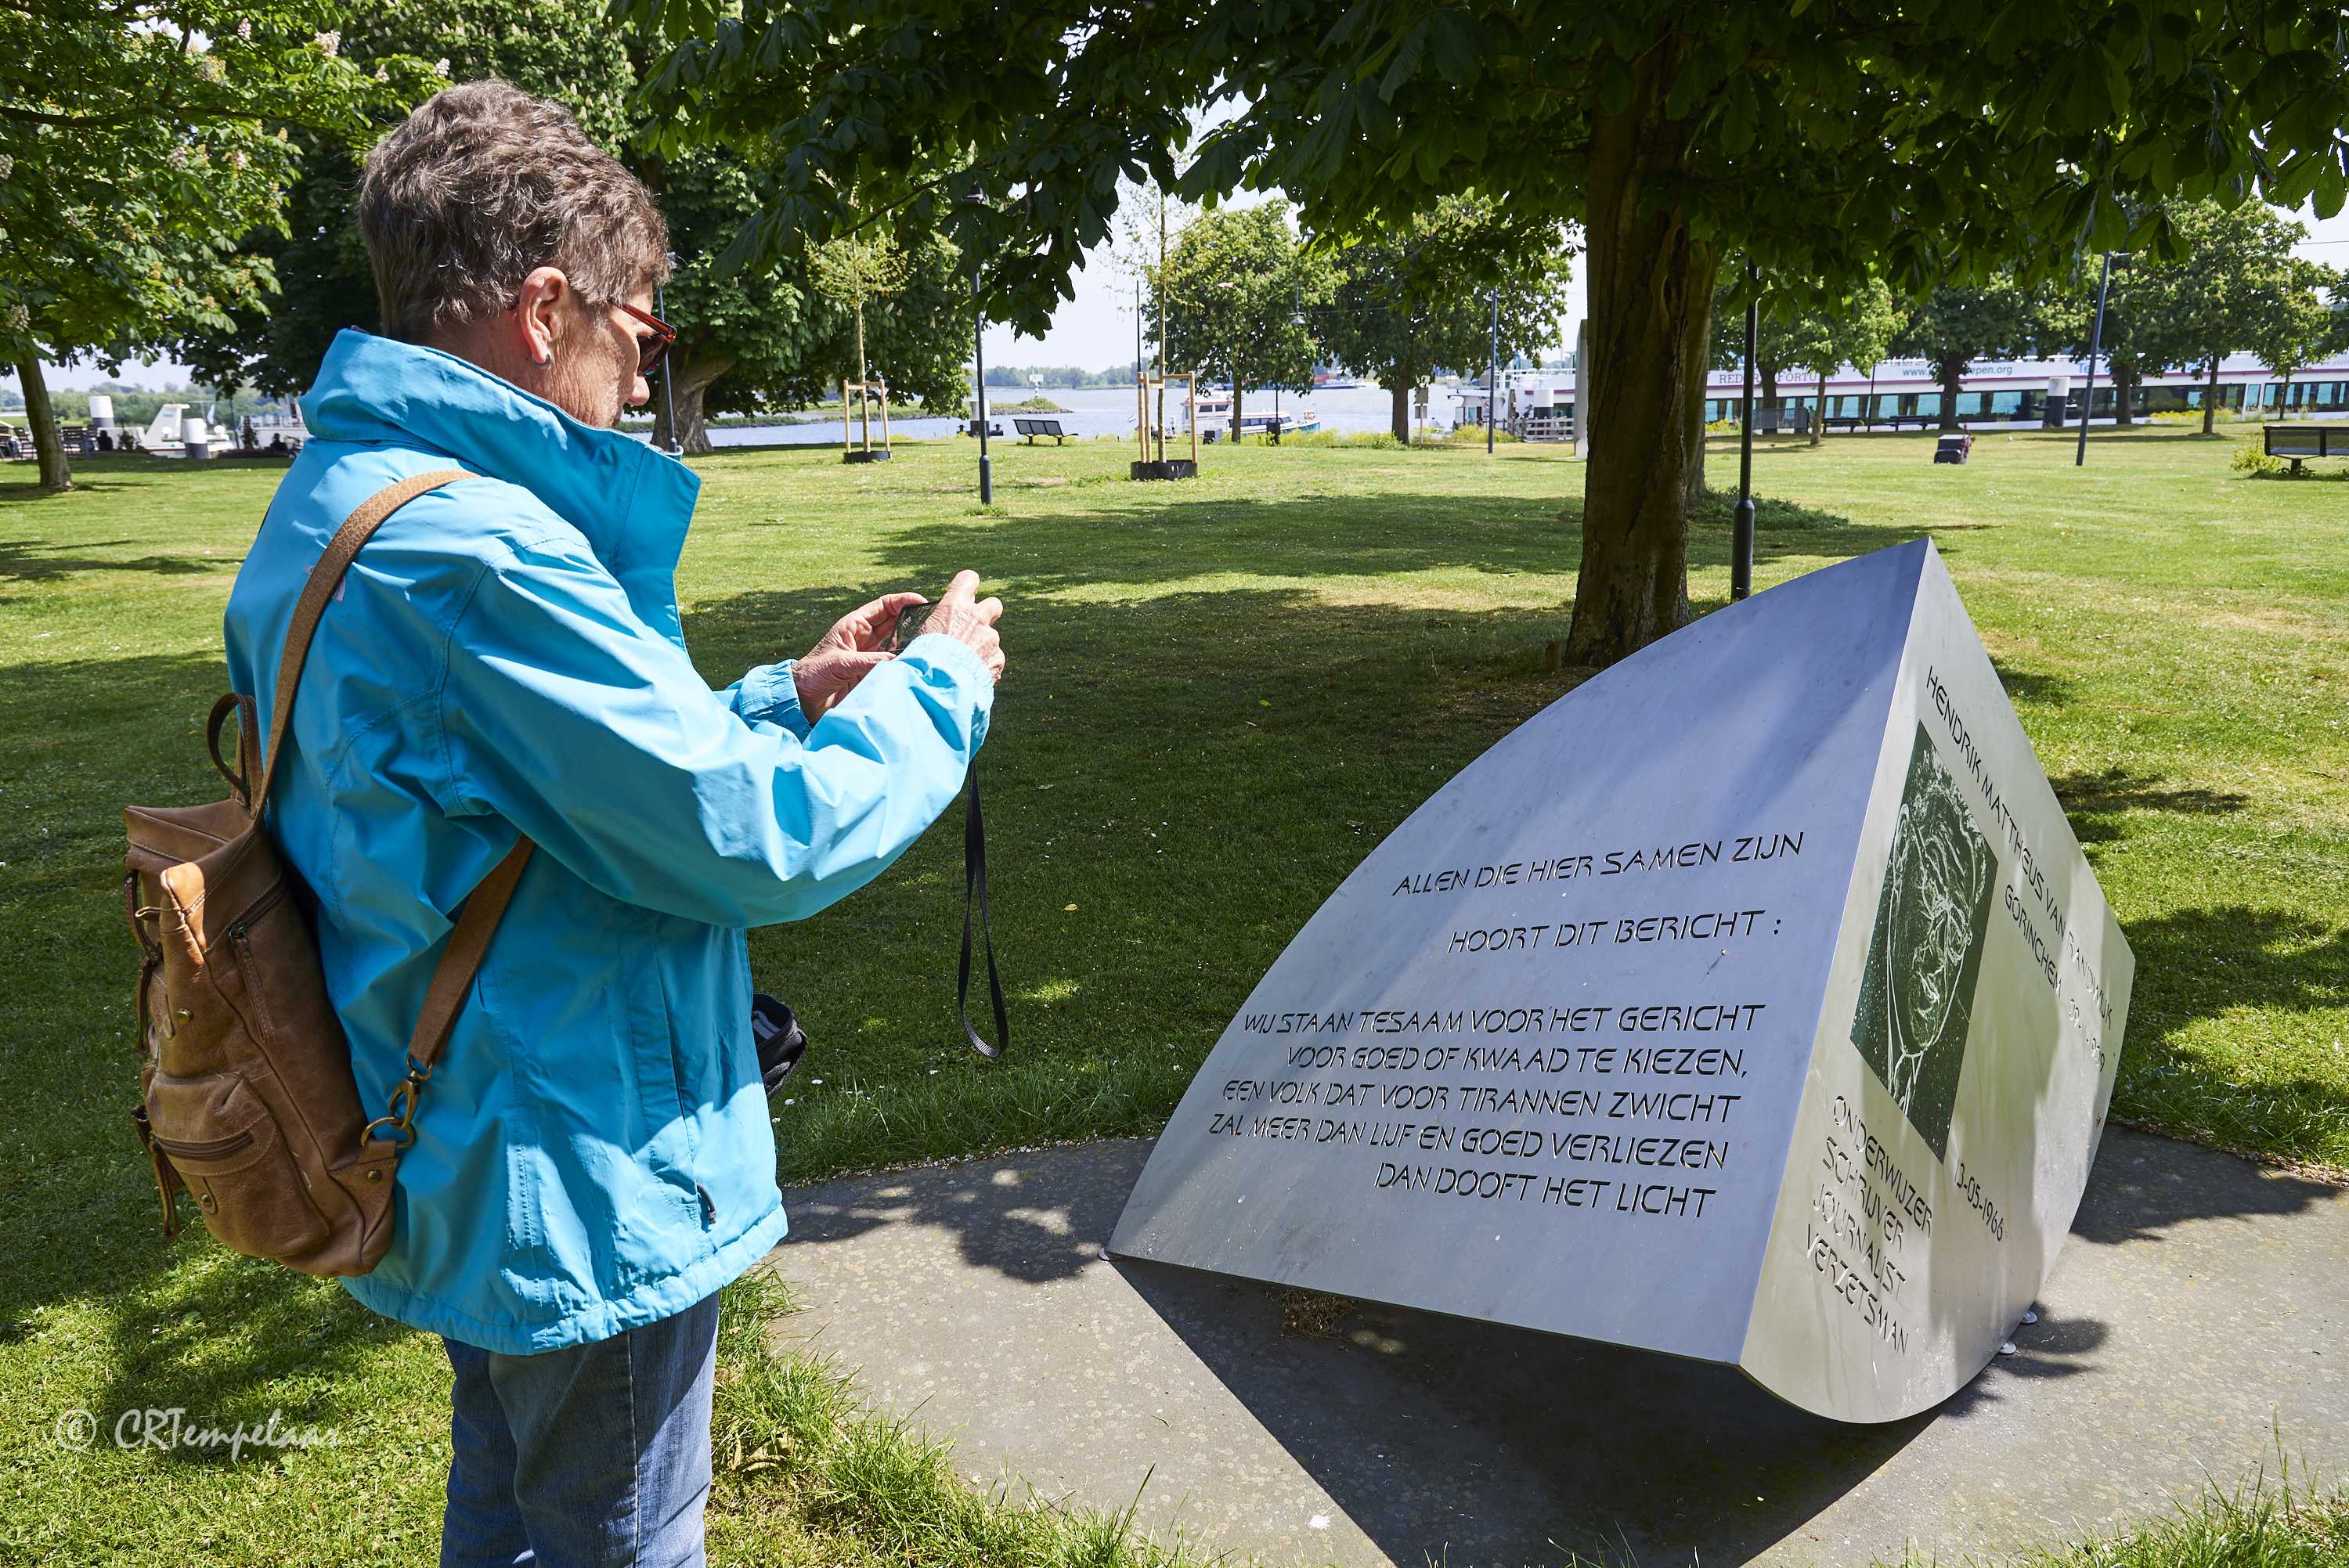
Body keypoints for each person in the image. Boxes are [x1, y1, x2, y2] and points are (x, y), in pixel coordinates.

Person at [219, 81, 1004, 1566]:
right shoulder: (481, 553)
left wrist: (784, 694)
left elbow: (522, 783)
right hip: (576, 1161)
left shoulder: (346, 499)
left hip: (454, 1130)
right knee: (618, 1537)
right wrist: (937, 697)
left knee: (513, 1511)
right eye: (636, 336)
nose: (642, 387)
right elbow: (753, 841)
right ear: (539, 306)